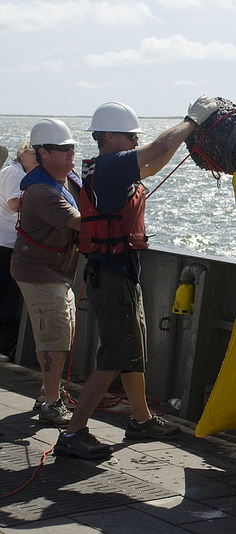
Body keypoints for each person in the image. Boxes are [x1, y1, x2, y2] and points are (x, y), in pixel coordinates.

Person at [55, 97, 220, 460]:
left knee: (131, 352)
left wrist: (182, 142)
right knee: (115, 356)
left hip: (118, 275)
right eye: (130, 136)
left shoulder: (109, 168)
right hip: (113, 277)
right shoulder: (112, 164)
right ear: (109, 137)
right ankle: (72, 433)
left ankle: (142, 420)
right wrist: (193, 121)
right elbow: (158, 149)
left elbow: (155, 162)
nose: (135, 142)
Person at [11, 120, 82, 427]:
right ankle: (51, 404)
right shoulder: (41, 191)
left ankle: (48, 393)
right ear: (43, 153)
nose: (71, 153)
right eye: (63, 149)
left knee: (61, 332)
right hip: (39, 273)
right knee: (53, 337)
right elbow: (80, 223)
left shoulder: (68, 180)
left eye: (72, 148)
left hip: (56, 272)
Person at [0, 141, 37, 361]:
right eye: (33, 154)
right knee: (8, 297)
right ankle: (4, 347)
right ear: (22, 154)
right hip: (6, 244)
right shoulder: (15, 173)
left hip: (8, 243)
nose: (37, 159)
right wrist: (41, 196)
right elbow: (14, 203)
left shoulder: (15, 173)